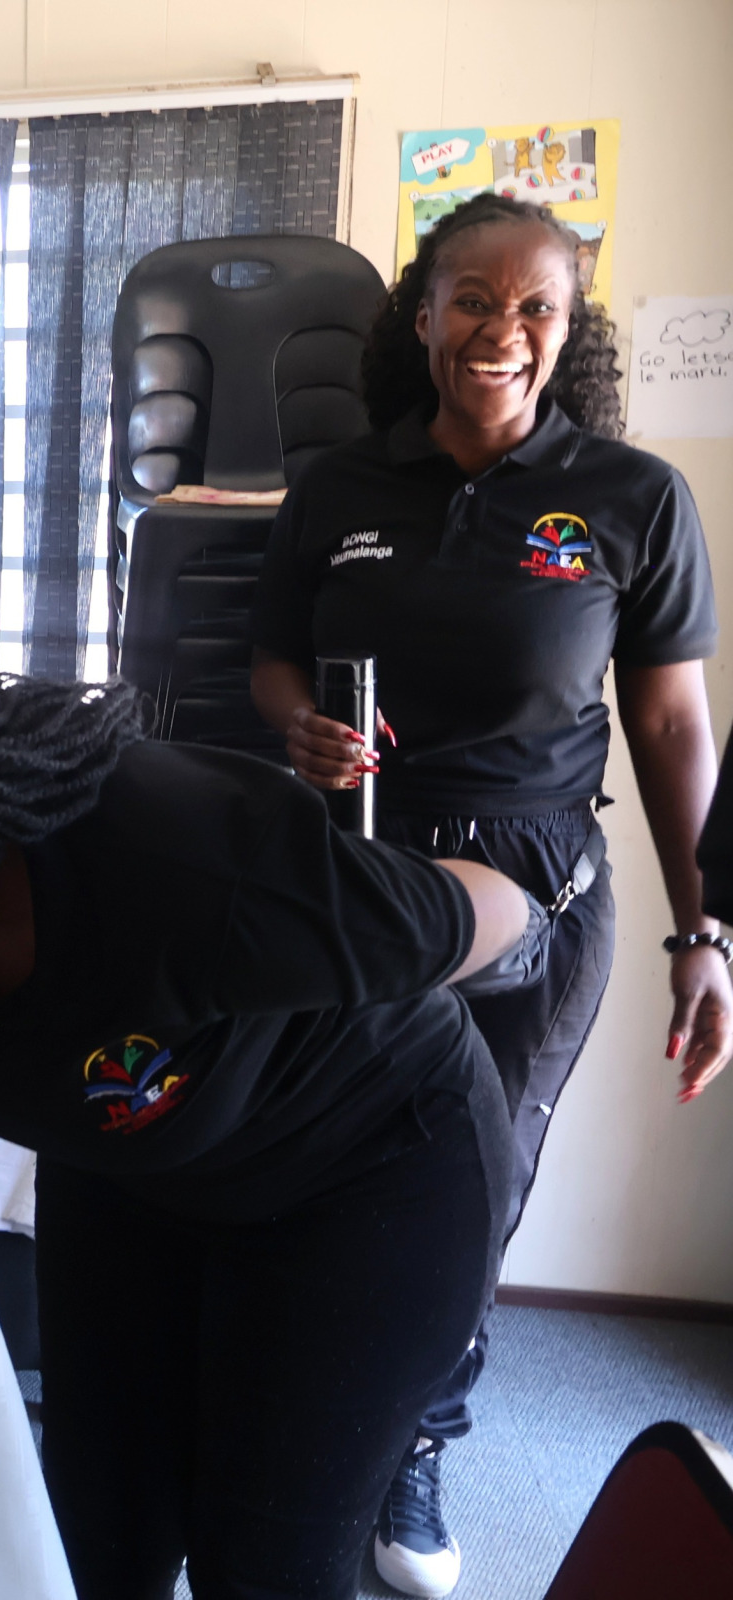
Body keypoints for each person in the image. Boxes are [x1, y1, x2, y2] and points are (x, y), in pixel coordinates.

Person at [0, 674, 534, 1600]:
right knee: (91, 1538)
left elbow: (498, 909)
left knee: (262, 1564)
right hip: (132, 1173)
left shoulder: (192, 867)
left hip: (369, 1174)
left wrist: (364, 936)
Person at [248, 191, 725, 1596]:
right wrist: (296, 724)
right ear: (423, 312)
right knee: (328, 1159)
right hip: (362, 872)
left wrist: (706, 931)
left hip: (539, 890)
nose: (500, 330)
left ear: (570, 329)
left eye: (535, 308)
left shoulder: (634, 498)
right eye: (472, 298)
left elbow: (672, 728)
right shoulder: (341, 488)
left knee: (474, 1187)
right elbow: (272, 658)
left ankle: (418, 1436)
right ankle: (314, 1405)